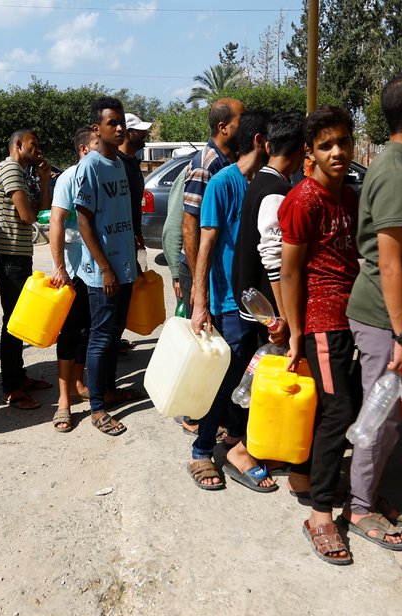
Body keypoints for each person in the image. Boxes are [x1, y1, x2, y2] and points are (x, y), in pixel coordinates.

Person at [343, 76, 402, 552]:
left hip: (388, 314)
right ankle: (359, 506)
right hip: (383, 316)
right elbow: (390, 260)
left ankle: (367, 493)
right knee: (379, 417)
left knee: (388, 416)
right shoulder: (397, 172)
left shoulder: (396, 163)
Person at [280, 107, 360, 565]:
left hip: (353, 319)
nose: (336, 152)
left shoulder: (348, 195)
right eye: (326, 145)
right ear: (309, 152)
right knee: (338, 411)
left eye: (342, 143)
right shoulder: (303, 200)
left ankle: (305, 476)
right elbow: (290, 273)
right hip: (322, 322)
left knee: (341, 405)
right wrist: (294, 333)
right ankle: (321, 515)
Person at [187, 109, 271, 491]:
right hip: (225, 300)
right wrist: (199, 299)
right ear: (259, 142)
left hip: (259, 302)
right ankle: (202, 450)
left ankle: (236, 442)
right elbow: (205, 243)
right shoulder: (222, 183)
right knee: (227, 378)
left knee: (249, 377)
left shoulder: (267, 185)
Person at [230, 112, 307, 493]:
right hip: (267, 305)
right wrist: (284, 317)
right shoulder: (275, 190)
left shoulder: (262, 180)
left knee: (269, 379)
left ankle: (261, 445)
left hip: (256, 299)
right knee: (268, 380)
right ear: (300, 152)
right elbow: (273, 259)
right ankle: (243, 450)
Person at [171, 98, 244, 435]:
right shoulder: (206, 163)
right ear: (223, 127)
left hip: (213, 268)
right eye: (241, 119)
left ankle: (207, 410)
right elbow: (191, 225)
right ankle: (192, 413)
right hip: (199, 266)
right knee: (201, 340)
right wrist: (197, 281)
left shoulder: (230, 160)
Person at [74, 96, 142, 436]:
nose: (119, 128)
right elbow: (83, 221)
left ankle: (110, 390)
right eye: (111, 123)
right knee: (100, 337)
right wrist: (105, 267)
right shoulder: (91, 166)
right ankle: (97, 407)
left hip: (124, 265)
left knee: (115, 334)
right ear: (96, 129)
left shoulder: (120, 164)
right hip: (104, 273)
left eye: (121, 122)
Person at [0, 129, 54, 410]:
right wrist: (34, 208)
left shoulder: (19, 172)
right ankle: (11, 387)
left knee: (18, 318)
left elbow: (43, 208)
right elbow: (30, 216)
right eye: (33, 145)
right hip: (10, 256)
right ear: (18, 145)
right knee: (13, 322)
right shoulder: (11, 170)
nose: (37, 150)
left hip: (17, 254)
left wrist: (43, 179)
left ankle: (18, 377)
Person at [49, 126, 99, 431]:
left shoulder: (102, 176)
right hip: (72, 271)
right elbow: (56, 221)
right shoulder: (68, 179)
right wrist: (59, 267)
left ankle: (80, 385)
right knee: (69, 335)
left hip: (96, 270)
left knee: (87, 332)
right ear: (83, 150)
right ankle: (64, 402)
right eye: (96, 145)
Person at [119, 112, 152, 252]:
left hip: (132, 235)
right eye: (139, 131)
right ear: (127, 134)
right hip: (120, 238)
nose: (144, 133)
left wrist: (138, 234)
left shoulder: (133, 162)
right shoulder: (116, 164)